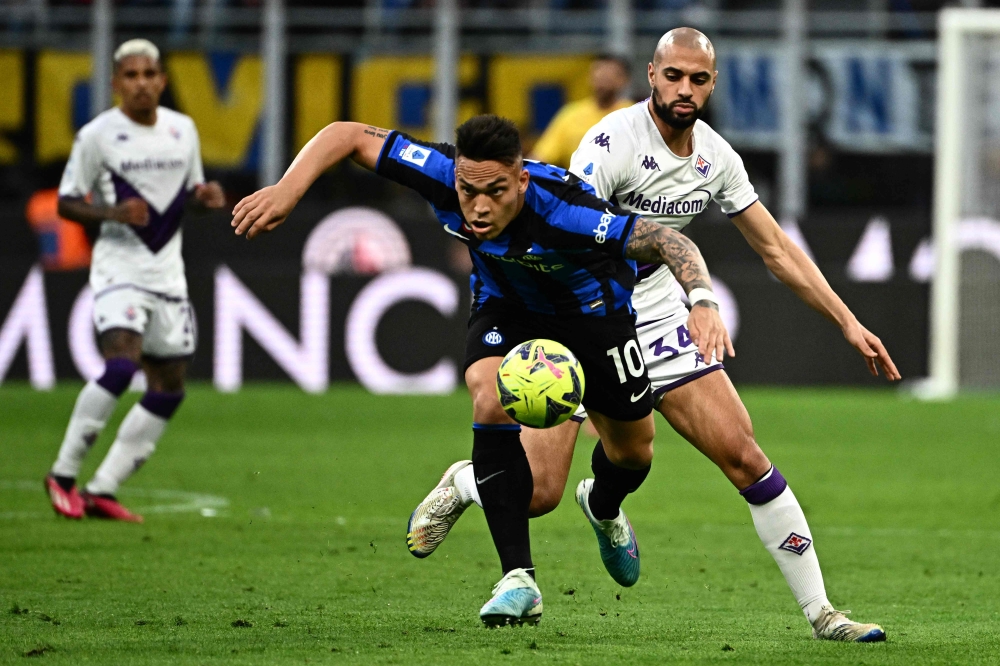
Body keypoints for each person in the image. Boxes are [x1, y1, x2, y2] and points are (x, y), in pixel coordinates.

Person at [407, 29, 900, 643]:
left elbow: (774, 247)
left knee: (743, 455)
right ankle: (464, 481)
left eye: (698, 79)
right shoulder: (609, 143)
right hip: (584, 321)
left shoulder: (716, 157)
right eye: (673, 77)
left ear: (712, 85)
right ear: (651, 76)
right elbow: (572, 237)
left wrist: (847, 321)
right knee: (536, 495)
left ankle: (823, 614)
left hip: (662, 321)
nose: (684, 89)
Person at [230, 114, 732, 627]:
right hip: (507, 308)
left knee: (628, 457)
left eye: (496, 191)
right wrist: (286, 191)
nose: (479, 206)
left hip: (595, 320)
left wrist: (703, 300)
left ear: (522, 180)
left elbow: (672, 243)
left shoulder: (567, 210)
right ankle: (519, 578)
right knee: (489, 396)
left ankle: (598, 506)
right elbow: (346, 135)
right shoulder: (444, 173)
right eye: (469, 191)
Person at [44, 39, 226, 523]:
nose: (141, 83)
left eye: (149, 74)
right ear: (115, 83)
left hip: (167, 274)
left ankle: (103, 488)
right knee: (121, 365)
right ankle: (62, 475)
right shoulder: (97, 136)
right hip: (118, 270)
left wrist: (202, 195)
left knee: (169, 386)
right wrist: (111, 212)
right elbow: (66, 202)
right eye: (131, 75)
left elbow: (181, 194)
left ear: (163, 80)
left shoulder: (182, 129)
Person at [529, 54, 633, 168]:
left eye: (609, 74)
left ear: (624, 80)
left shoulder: (636, 116)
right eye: (598, 72)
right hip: (577, 184)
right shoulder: (570, 115)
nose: (603, 77)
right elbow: (541, 156)